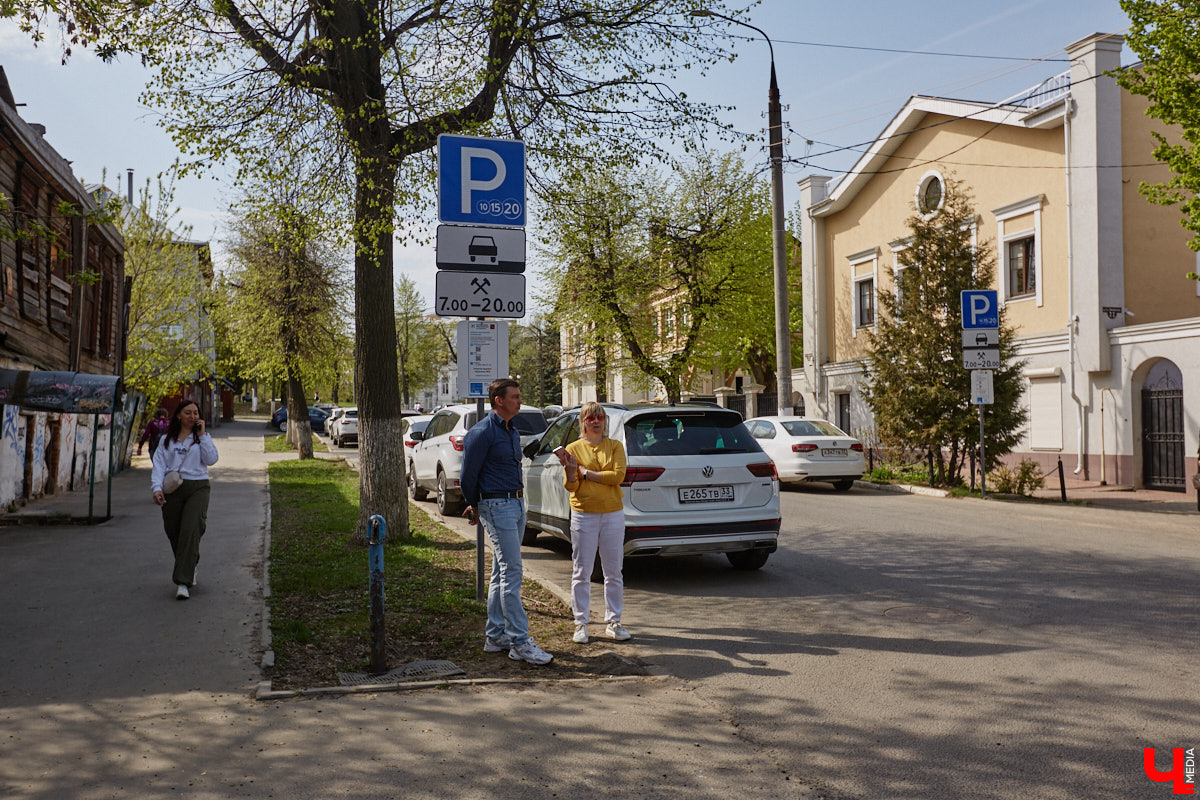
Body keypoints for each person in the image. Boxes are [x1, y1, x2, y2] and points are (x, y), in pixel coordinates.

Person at [460, 378, 553, 666]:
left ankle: (496, 635)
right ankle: (519, 641)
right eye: (514, 396)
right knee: (513, 572)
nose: (519, 400)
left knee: (501, 573)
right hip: (496, 505)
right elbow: (467, 476)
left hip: (515, 503)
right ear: (498, 400)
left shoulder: (511, 431)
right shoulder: (482, 432)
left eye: (519, 395)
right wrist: (475, 504)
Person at [559, 401, 630, 643]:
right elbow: (572, 486)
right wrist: (571, 473)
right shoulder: (573, 448)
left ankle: (614, 621)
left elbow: (617, 476)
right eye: (591, 418)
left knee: (614, 571)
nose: (597, 421)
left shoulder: (615, 446)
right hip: (583, 513)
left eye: (600, 417)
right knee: (582, 571)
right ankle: (581, 623)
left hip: (612, 513)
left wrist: (586, 473)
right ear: (583, 422)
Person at [150, 400, 219, 600]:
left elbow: (211, 460)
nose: (192, 416)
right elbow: (159, 467)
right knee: (174, 532)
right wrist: (156, 488)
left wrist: (202, 435)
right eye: (188, 412)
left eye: (195, 413)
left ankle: (182, 581)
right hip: (173, 489)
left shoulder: (202, 438)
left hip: (198, 487)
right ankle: (191, 564)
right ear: (179, 415)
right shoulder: (166, 440)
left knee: (191, 529)